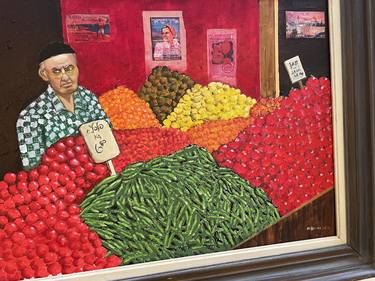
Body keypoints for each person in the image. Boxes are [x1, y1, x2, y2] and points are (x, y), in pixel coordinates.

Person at [16, 42, 110, 170]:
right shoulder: (30, 117)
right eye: (56, 72)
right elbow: (33, 171)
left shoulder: (88, 97)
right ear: (44, 75)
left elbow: (108, 138)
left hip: (100, 175)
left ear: (77, 68)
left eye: (69, 69)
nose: (65, 77)